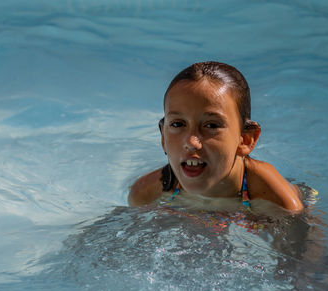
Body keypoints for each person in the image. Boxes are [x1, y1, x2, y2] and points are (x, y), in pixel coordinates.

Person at [128, 61, 304, 213]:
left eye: (211, 126)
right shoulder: (146, 194)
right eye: (177, 124)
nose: (191, 142)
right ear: (163, 137)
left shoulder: (277, 201)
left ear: (245, 139)